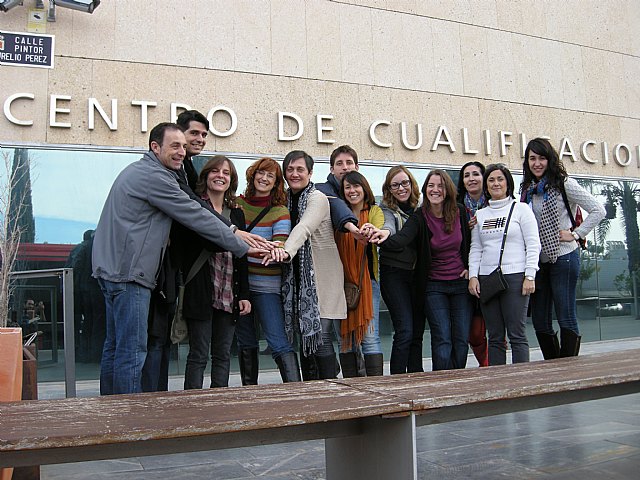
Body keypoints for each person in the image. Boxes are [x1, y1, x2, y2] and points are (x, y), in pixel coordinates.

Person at [92, 122, 267, 395]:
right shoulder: (155, 178)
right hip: (130, 274)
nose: (182, 152)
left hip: (113, 271)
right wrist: (239, 244)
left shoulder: (140, 171)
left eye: (184, 147)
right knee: (132, 351)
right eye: (175, 145)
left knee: (115, 347)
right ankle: (126, 419)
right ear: (155, 147)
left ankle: (111, 413)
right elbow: (195, 214)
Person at [520, 138, 605, 358]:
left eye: (541, 158)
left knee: (566, 315)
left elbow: (598, 210)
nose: (537, 163)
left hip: (564, 257)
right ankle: (554, 365)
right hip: (539, 261)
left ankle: (569, 368)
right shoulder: (528, 190)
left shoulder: (564, 183)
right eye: (532, 158)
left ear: (550, 159)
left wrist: (576, 234)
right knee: (539, 320)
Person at [381, 170, 472, 371]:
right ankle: (439, 383)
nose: (435, 190)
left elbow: (473, 244)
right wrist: (379, 237)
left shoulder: (460, 212)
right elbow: (401, 238)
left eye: (440, 186)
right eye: (431, 186)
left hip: (460, 284)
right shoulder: (420, 216)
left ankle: (456, 380)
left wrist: (470, 268)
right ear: (425, 189)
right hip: (433, 284)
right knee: (441, 337)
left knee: (460, 338)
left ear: (448, 189)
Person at [266, 150, 345, 380]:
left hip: (323, 277)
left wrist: (285, 251)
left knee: (319, 338)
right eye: (290, 169)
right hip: (298, 280)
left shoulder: (317, 198)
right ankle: (311, 390)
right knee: (305, 339)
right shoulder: (285, 200)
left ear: (310, 173)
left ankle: (330, 388)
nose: (294, 173)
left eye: (300, 169)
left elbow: (304, 227)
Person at [183, 156, 251, 389]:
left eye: (226, 173)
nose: (220, 176)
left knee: (222, 355)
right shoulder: (193, 207)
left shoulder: (237, 213)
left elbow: (242, 257)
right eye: (215, 171)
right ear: (206, 176)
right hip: (202, 290)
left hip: (229, 292)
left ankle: (219, 405)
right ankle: (192, 407)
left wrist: (245, 295)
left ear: (231, 181)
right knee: (198, 354)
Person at [236, 157, 301, 383]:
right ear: (252, 176)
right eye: (260, 173)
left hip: (267, 287)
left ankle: (296, 393)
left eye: (270, 176)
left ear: (276, 183)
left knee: (277, 341)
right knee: (246, 342)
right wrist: (262, 247)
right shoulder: (237, 205)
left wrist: (244, 247)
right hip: (239, 286)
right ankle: (250, 394)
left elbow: (279, 246)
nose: (264, 178)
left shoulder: (279, 211)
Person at [468, 164, 541, 365]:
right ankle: (497, 383)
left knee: (517, 335)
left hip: (515, 277)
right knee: (495, 336)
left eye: (500, 179)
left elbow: (533, 244)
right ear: (486, 186)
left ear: (508, 183)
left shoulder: (521, 210)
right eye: (491, 180)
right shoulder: (480, 215)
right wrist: (473, 276)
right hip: (488, 280)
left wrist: (530, 275)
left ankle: (521, 383)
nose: (496, 183)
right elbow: (476, 248)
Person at [370, 166, 423, 374]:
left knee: (417, 332)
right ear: (389, 189)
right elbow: (389, 226)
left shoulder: (422, 207)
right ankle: (398, 380)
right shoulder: (385, 209)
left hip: (418, 275)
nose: (401, 188)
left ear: (411, 183)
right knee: (405, 330)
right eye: (395, 185)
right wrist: (383, 233)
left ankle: (416, 377)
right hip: (394, 274)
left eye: (404, 183)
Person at [335, 171, 384, 377]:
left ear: (364, 189)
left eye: (356, 186)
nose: (352, 191)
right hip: (340, 285)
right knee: (345, 340)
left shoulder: (373, 211)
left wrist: (370, 230)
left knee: (369, 338)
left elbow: (379, 226)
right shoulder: (338, 214)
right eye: (347, 187)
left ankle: (378, 392)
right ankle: (353, 391)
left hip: (367, 283)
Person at [457, 161, 489, 367]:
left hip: (494, 271)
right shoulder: (457, 207)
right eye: (466, 175)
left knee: (496, 328)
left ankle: (497, 369)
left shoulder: (498, 203)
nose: (471, 178)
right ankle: (486, 366)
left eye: (476, 174)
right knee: (475, 332)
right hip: (467, 273)